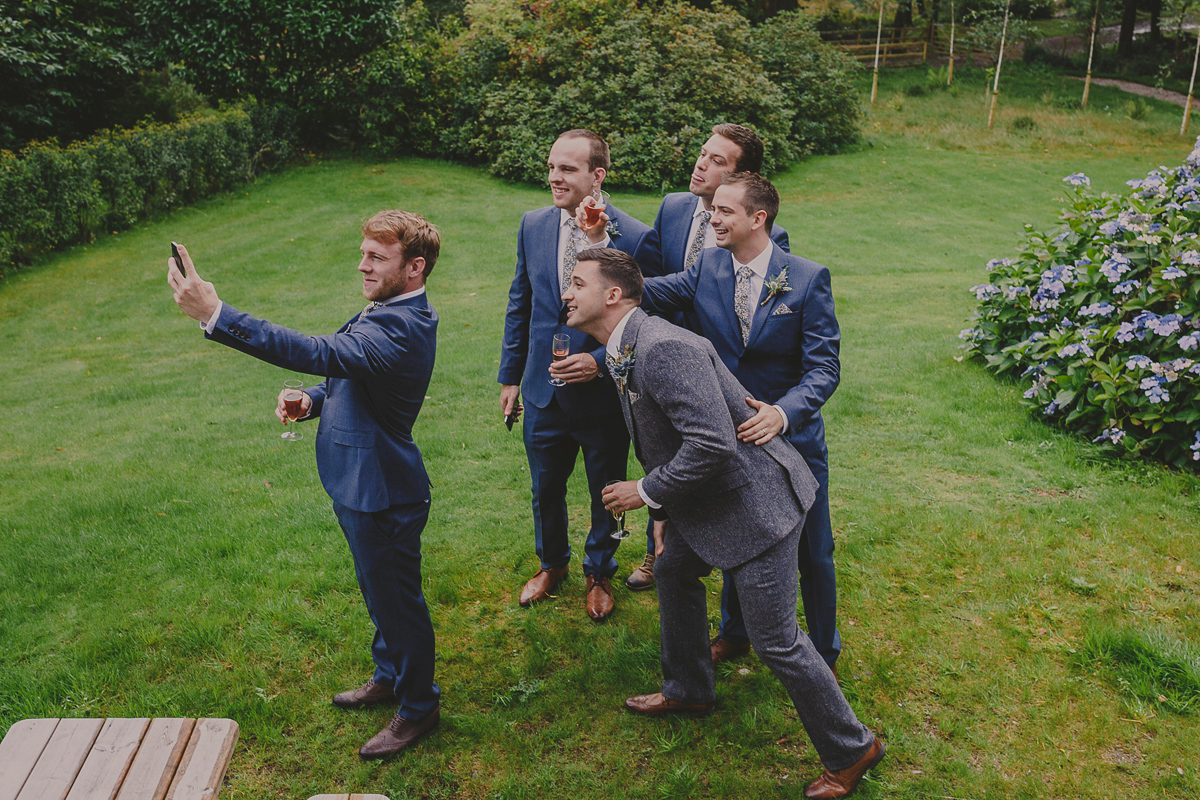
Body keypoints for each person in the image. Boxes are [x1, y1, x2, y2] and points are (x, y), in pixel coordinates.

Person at [563, 249, 883, 799]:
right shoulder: (628, 344)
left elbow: (712, 446)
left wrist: (644, 493)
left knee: (776, 639)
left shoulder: (662, 349)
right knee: (672, 572)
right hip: (706, 502)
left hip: (755, 507)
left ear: (612, 295)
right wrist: (666, 513)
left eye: (576, 282)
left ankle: (854, 748)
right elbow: (665, 437)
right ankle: (690, 688)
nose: (565, 292)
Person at [166, 211, 442, 760]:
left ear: (414, 268)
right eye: (363, 252)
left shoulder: (402, 328)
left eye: (376, 257)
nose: (362, 265)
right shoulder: (386, 309)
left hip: (382, 492)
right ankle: (389, 675)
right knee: (377, 591)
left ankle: (418, 707)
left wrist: (216, 315)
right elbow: (344, 372)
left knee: (398, 603)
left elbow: (319, 351)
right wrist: (313, 400)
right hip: (358, 484)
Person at [640, 172, 843, 675]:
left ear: (759, 218)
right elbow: (644, 292)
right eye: (714, 209)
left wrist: (783, 412)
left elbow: (824, 369)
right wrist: (599, 248)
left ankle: (823, 649)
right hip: (729, 436)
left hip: (793, 440)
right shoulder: (706, 267)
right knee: (738, 535)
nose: (712, 217)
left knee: (813, 552)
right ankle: (735, 633)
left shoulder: (807, 277)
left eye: (725, 210)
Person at [624, 123, 789, 591]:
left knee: (707, 462)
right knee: (661, 453)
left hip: (718, 371)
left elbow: (752, 322)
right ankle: (661, 553)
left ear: (745, 178)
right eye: (703, 154)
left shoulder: (774, 243)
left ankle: (715, 558)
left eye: (718, 161)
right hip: (659, 358)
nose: (702, 164)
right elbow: (654, 283)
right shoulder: (673, 207)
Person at [498, 129, 651, 621]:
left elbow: (647, 322)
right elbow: (520, 303)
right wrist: (510, 378)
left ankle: (599, 571)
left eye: (567, 169)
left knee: (604, 488)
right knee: (545, 486)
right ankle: (552, 564)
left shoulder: (635, 236)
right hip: (542, 388)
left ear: (597, 175)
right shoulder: (533, 225)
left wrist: (602, 362)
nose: (554, 177)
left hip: (603, 394)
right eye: (551, 167)